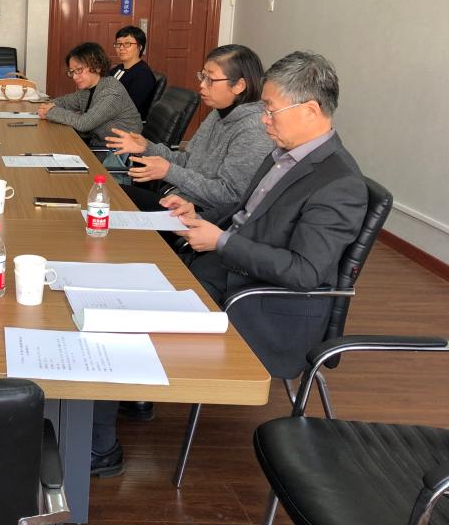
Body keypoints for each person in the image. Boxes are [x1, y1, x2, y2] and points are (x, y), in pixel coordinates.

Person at [90, 50, 368, 478]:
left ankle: (98, 448)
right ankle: (121, 398)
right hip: (221, 269)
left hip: (256, 304)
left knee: (117, 317)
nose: (263, 120)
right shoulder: (284, 154)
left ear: (311, 110)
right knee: (112, 285)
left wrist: (220, 241)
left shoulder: (339, 183)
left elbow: (305, 272)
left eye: (271, 110)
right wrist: (197, 214)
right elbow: (246, 213)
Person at [106, 44, 273, 213]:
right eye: (203, 76)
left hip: (202, 214)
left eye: (210, 79)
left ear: (239, 85)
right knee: (107, 192)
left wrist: (169, 172)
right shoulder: (217, 113)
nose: (202, 85)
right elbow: (188, 160)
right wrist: (146, 148)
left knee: (109, 201)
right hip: (179, 199)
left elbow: (231, 196)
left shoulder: (254, 129)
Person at [36, 41, 142, 148]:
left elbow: (84, 124)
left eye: (79, 70)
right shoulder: (88, 89)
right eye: (72, 71)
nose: (74, 77)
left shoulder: (111, 91)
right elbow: (65, 102)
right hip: (96, 144)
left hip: (115, 152)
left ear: (97, 66)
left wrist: (51, 111)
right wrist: (48, 106)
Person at [108, 25, 156, 119]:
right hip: (109, 116)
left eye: (127, 43)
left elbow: (128, 108)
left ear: (140, 47)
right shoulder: (119, 68)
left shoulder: (143, 75)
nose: (121, 48)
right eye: (118, 44)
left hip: (126, 123)